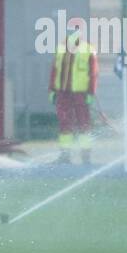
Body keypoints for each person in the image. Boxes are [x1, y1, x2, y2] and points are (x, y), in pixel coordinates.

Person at [49, 31, 98, 164]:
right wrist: (52, 90)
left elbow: (93, 73)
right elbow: (54, 70)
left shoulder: (88, 50)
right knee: (64, 124)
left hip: (80, 93)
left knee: (84, 124)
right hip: (63, 93)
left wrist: (91, 93)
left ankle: (86, 157)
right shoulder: (60, 49)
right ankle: (65, 156)